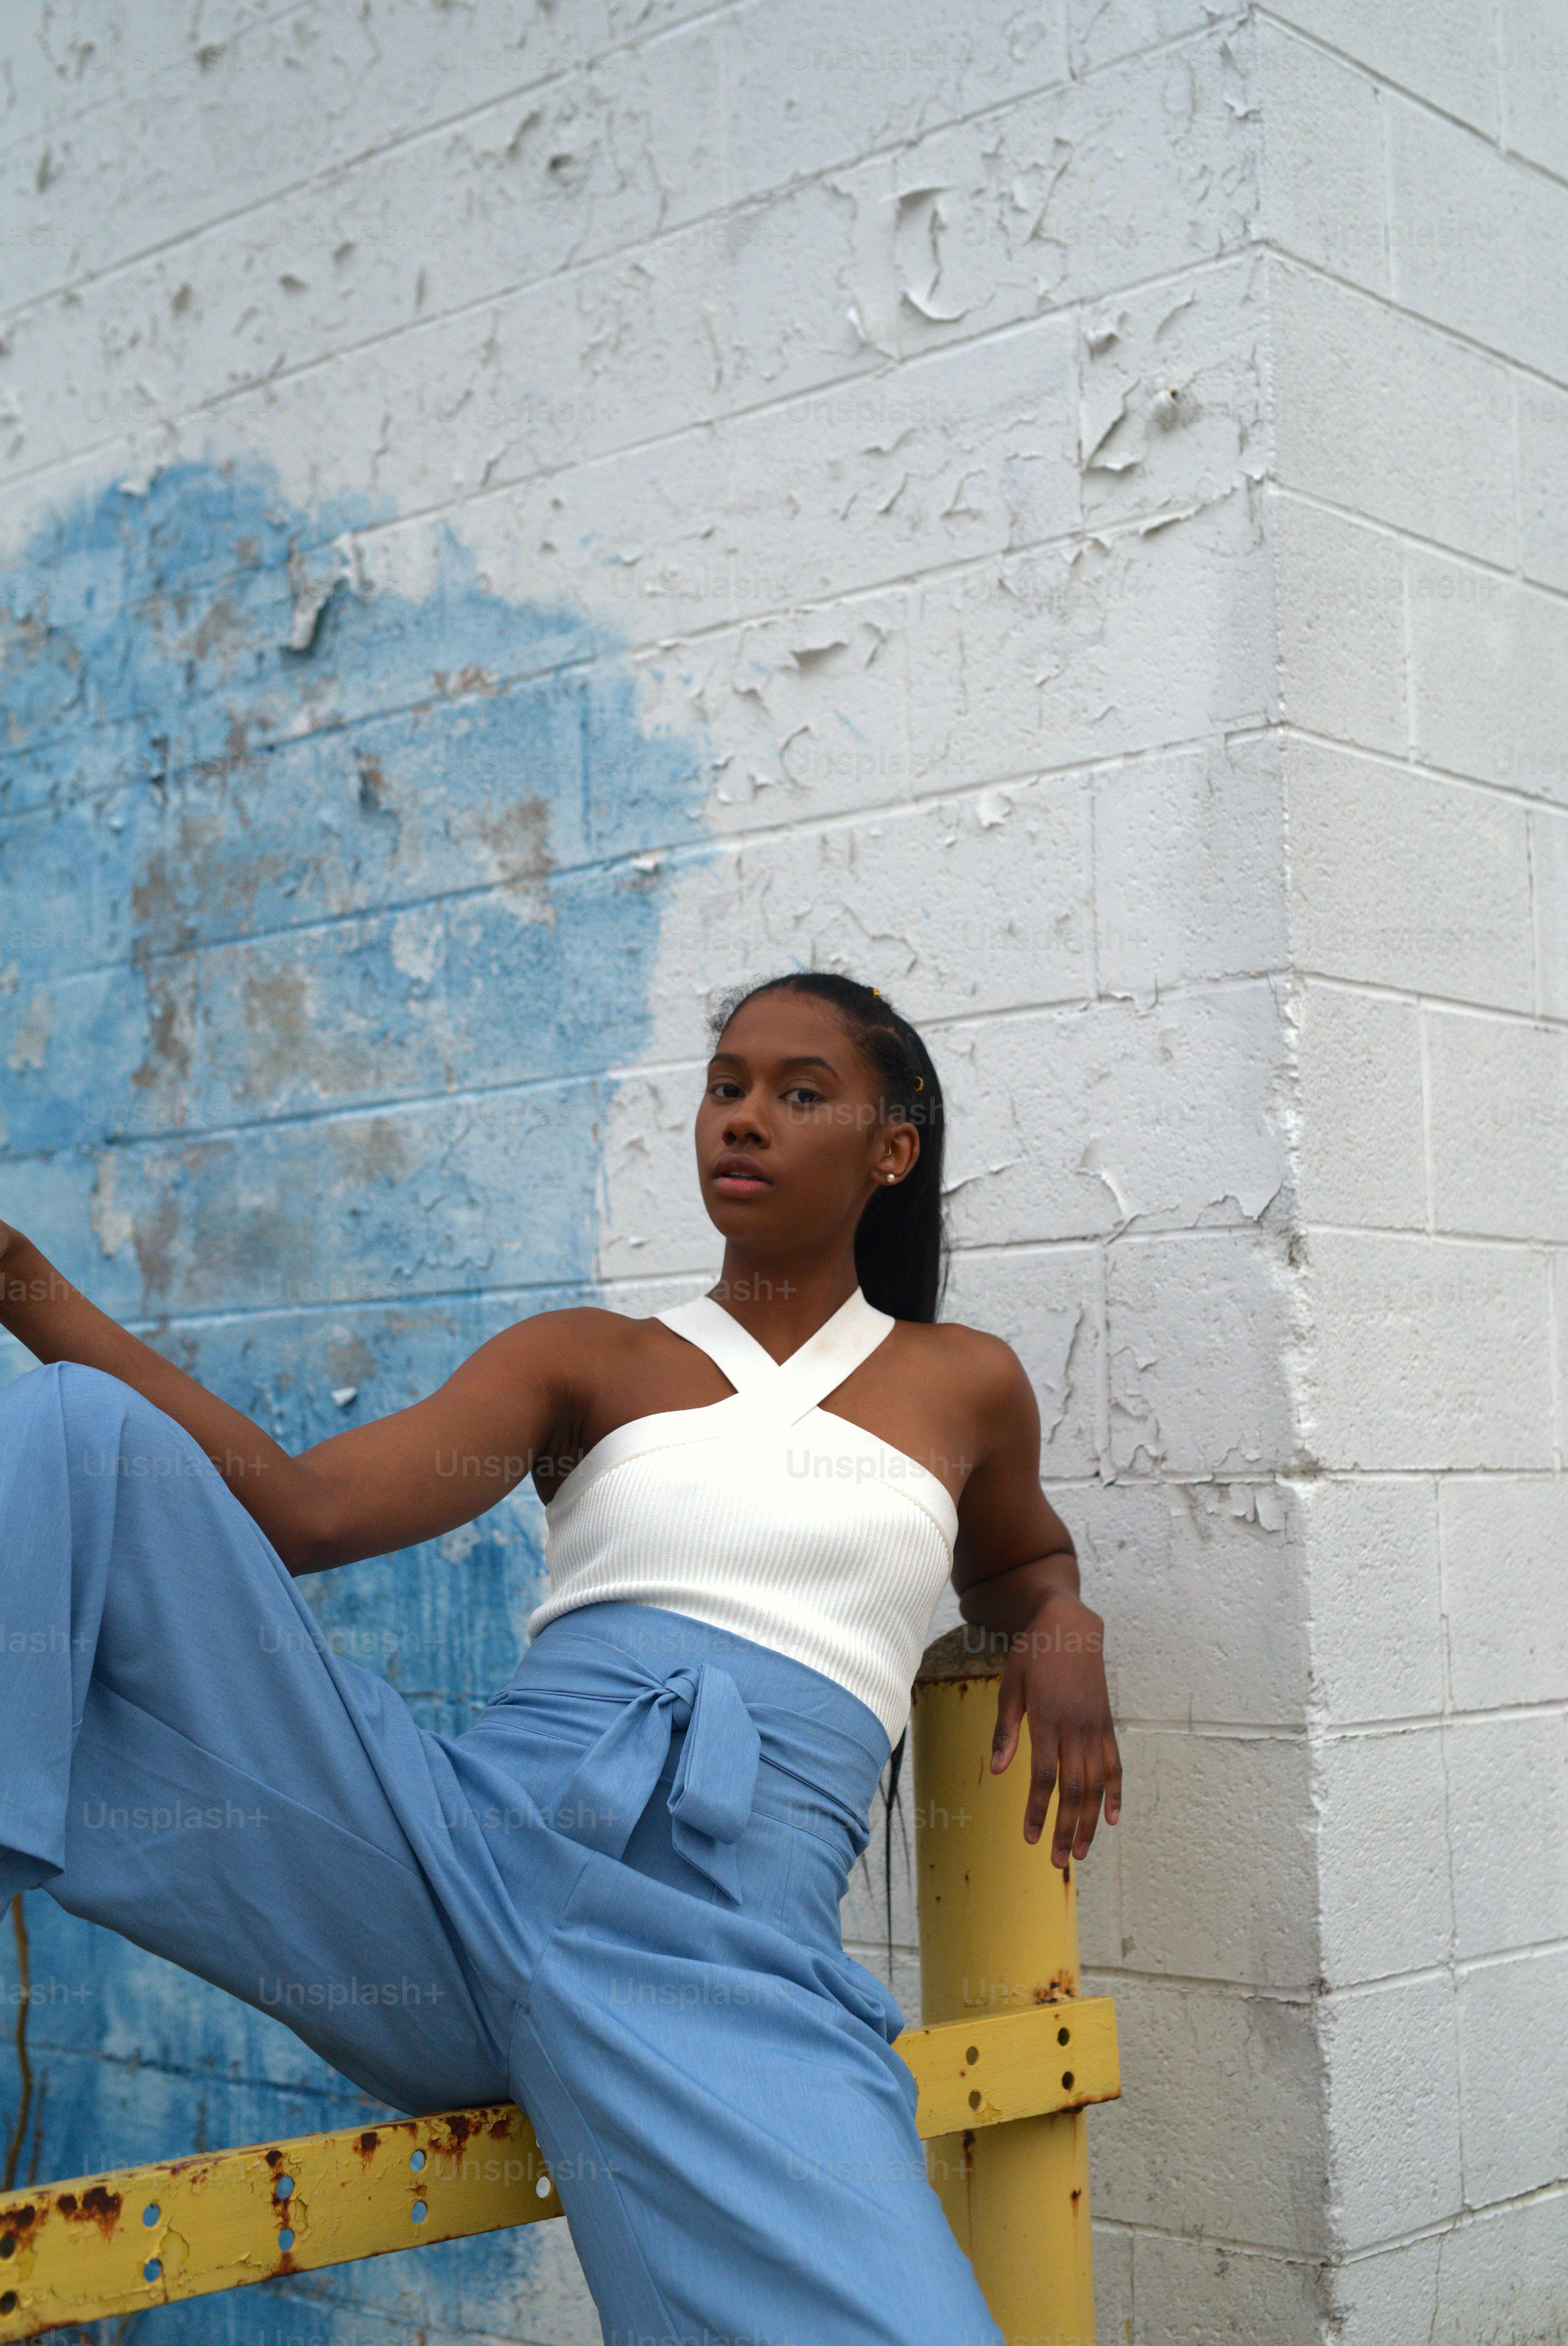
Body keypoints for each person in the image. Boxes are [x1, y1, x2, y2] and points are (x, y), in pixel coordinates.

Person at [0, 968, 1120, 2346]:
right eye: (725, 1087)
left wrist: (1063, 1619)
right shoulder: (587, 1358)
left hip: (727, 1970)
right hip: (456, 1880)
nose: (744, 1117)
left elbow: (1019, 1565)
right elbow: (305, 1511)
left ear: (892, 1148)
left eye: (798, 1093)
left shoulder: (966, 1383)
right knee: (72, 1427)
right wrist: (18, 1274)